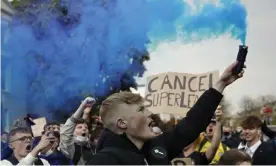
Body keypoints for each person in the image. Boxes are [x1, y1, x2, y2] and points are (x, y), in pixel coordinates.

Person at [87, 61, 246, 165]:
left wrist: (221, 83)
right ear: (122, 124)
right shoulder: (105, 160)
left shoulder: (157, 146)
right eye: (141, 110)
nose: (149, 113)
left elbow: (191, 125)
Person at [60, 97, 96, 165]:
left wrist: (85, 113)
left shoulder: (92, 146)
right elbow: (66, 131)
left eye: (86, 127)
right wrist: (82, 107)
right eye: (79, 127)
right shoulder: (70, 148)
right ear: (72, 132)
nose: (84, 129)